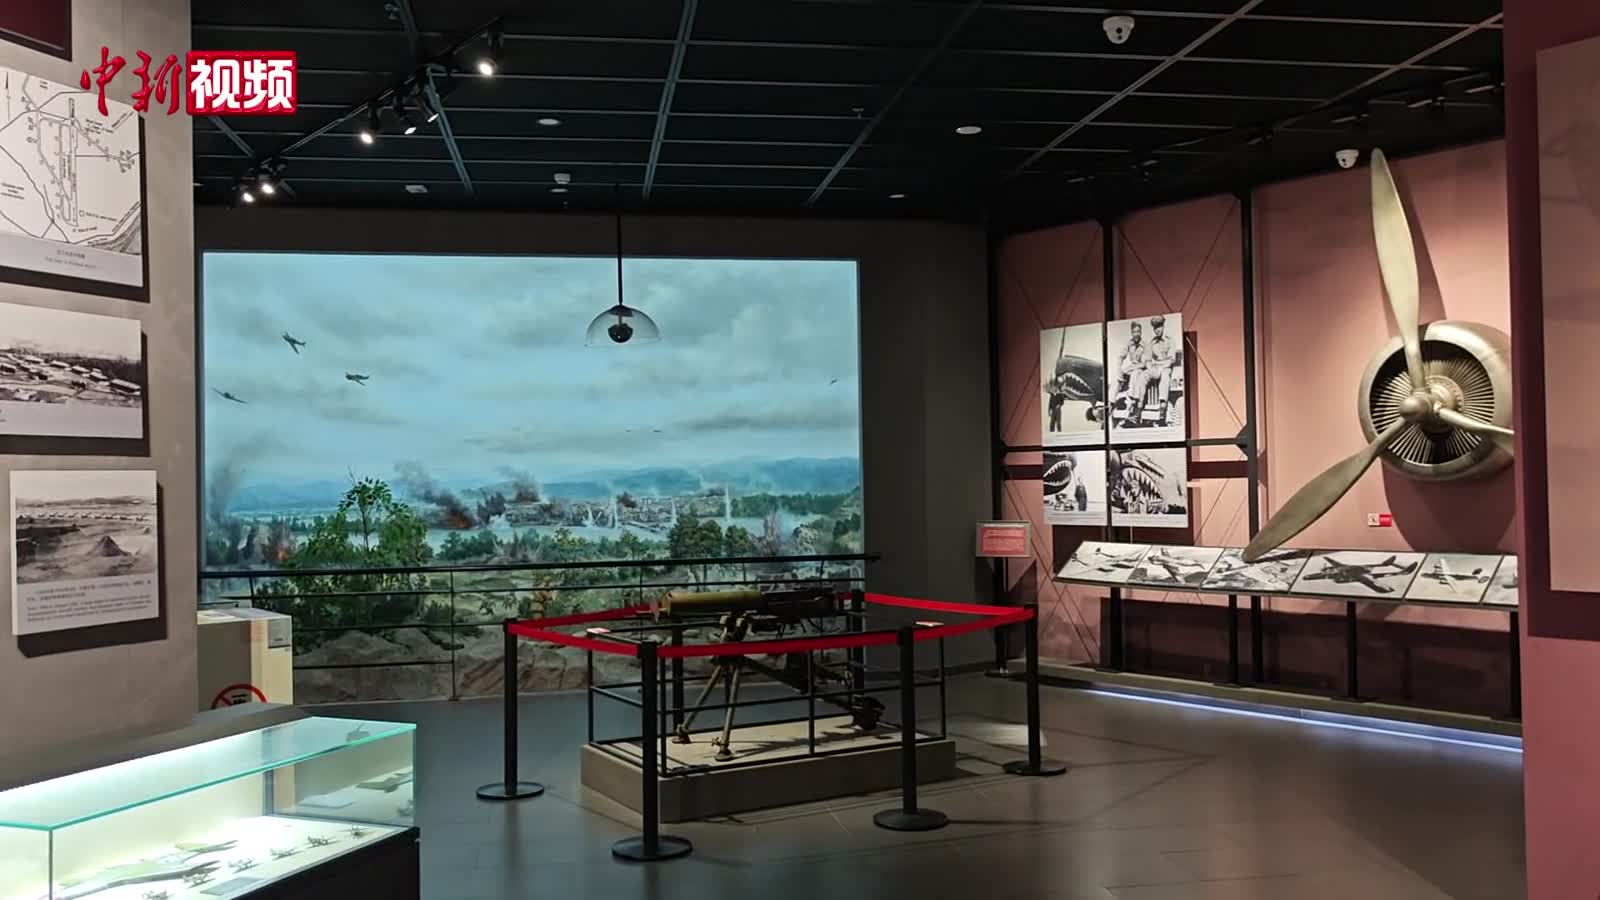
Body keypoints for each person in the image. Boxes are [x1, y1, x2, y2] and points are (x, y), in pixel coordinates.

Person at [1146, 315, 1179, 424]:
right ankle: (1138, 404)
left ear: (1163, 326)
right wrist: (1150, 368)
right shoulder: (1151, 343)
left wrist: (1161, 367)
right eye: (1155, 328)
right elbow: (1148, 359)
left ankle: (1162, 404)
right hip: (1155, 368)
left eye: (1159, 327)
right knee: (1144, 374)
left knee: (1165, 375)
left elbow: (1171, 359)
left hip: (1166, 367)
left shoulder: (1170, 341)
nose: (1157, 330)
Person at [1115, 321, 1149, 425]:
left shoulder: (1145, 345)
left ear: (1141, 332)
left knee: (1136, 374)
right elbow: (1120, 356)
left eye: (1138, 332)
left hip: (1141, 368)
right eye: (1134, 332)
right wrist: (1119, 368)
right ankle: (1113, 403)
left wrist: (1133, 368)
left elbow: (1144, 363)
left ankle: (1134, 405)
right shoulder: (1129, 344)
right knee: (1117, 377)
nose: (1136, 334)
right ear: (1131, 333)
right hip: (1133, 367)